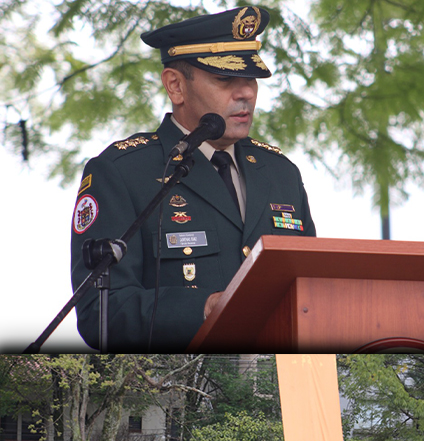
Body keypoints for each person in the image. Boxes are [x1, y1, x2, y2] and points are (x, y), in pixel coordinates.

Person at [69, 6, 316, 350]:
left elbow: (309, 291)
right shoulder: (122, 172)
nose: (246, 93)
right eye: (226, 79)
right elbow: (100, 312)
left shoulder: (280, 173)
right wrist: (203, 308)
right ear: (176, 86)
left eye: (251, 79)